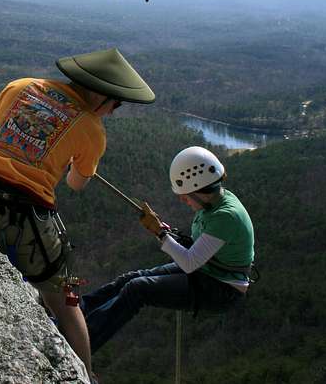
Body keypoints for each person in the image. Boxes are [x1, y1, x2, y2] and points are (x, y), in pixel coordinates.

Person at [0, 48, 155, 379]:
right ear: (100, 94)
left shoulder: (20, 86)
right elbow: (76, 183)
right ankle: (85, 375)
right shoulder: (91, 127)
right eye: (116, 103)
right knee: (68, 301)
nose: (112, 112)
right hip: (30, 217)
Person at [81, 146, 255, 354]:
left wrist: (160, 234)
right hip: (208, 272)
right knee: (131, 278)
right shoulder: (214, 204)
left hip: (221, 289)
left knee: (137, 288)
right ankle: (78, 312)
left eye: (185, 195)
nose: (182, 199)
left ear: (200, 190)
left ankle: (81, 341)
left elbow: (190, 262)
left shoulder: (225, 215)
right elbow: (201, 247)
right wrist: (163, 231)